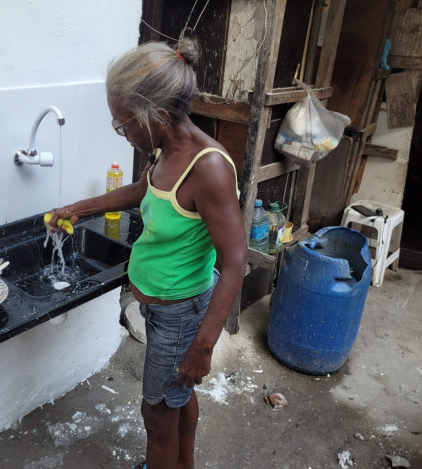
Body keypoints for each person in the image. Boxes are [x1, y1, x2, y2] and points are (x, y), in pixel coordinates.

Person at [47, 38, 248, 469]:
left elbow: (235, 262)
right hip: (161, 310)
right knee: (175, 399)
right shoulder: (165, 148)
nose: (122, 132)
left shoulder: (207, 168)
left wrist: (204, 346)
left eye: (123, 124)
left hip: (180, 312)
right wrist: (76, 209)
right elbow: (143, 190)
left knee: (155, 415)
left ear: (155, 115)